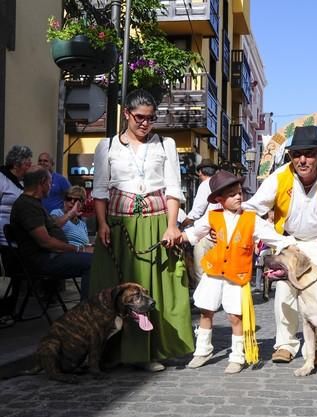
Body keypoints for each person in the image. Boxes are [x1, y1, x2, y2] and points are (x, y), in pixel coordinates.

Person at [89, 89, 194, 372]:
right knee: (115, 290)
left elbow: (173, 188)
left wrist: (172, 226)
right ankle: (111, 353)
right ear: (126, 114)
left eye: (150, 118)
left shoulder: (165, 144)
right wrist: (101, 224)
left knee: (156, 288)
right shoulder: (107, 146)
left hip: (157, 223)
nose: (145, 123)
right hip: (118, 226)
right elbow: (99, 190)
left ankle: (151, 352)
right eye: (139, 117)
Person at [243, 125, 317, 365]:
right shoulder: (279, 177)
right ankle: (285, 344)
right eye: (297, 154)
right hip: (290, 243)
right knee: (285, 293)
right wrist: (277, 240)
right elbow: (252, 210)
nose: (303, 159)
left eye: (309, 153)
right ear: (290, 156)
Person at [182, 171, 294, 373]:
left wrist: (290, 243)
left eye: (240, 192)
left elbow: (271, 237)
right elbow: (194, 232)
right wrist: (178, 237)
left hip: (237, 275)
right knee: (206, 311)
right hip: (213, 271)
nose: (238, 197)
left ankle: (237, 355)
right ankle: (202, 350)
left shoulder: (251, 219)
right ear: (219, 199)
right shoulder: (212, 216)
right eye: (232, 194)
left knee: (235, 316)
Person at [9, 167, 93, 299]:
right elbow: (46, 242)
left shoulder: (34, 204)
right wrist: (78, 249)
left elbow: (53, 227)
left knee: (95, 258)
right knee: (92, 263)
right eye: (50, 183)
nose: (51, 187)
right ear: (42, 182)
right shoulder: (27, 206)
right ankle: (86, 312)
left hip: (50, 256)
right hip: (44, 260)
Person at [180, 158, 219, 288]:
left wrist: (182, 224)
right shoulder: (220, 184)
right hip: (220, 233)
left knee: (201, 272)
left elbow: (197, 212)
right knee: (215, 271)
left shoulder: (205, 184)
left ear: (201, 172)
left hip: (205, 233)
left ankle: (203, 303)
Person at [0, 145, 33, 246]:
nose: (29, 168)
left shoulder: (23, 183)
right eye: (27, 164)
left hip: (18, 240)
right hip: (4, 240)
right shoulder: (2, 178)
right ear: (15, 164)